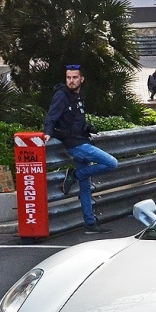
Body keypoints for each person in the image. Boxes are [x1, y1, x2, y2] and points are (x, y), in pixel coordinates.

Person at [44, 64, 118, 234]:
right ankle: (74, 175)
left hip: (82, 140)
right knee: (112, 163)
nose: (71, 81)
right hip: (75, 145)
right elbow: (51, 117)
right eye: (69, 77)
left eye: (75, 77)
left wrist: (86, 127)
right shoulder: (61, 96)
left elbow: (74, 119)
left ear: (81, 79)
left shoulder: (78, 96)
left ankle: (90, 224)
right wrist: (47, 133)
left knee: (85, 187)